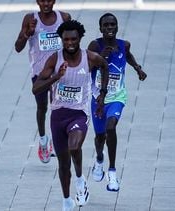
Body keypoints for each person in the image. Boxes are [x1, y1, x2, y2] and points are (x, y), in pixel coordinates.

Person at [32, 20, 109, 211]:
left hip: (79, 114)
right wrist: (56, 77)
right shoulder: (54, 60)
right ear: (61, 40)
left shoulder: (90, 58)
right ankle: (67, 200)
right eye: (66, 40)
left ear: (80, 38)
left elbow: (105, 66)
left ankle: (81, 180)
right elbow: (35, 89)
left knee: (74, 146)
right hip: (58, 116)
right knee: (63, 164)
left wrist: (102, 94)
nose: (70, 43)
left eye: (74, 39)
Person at [88, 13, 147, 192]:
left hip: (117, 97)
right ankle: (99, 159)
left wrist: (138, 68)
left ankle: (112, 172)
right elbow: (86, 67)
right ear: (100, 29)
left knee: (111, 127)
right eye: (106, 25)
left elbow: (127, 56)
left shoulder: (123, 45)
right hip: (97, 99)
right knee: (100, 137)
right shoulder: (95, 45)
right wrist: (101, 57)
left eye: (113, 25)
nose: (110, 28)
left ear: (117, 26)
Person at [14, 0, 71, 163]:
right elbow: (18, 47)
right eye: (42, 0)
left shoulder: (64, 18)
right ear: (37, 1)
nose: (46, 3)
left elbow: (72, 43)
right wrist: (27, 33)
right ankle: (43, 140)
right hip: (39, 74)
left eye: (49, 0)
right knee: (42, 107)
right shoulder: (30, 19)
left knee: (58, 107)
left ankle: (56, 140)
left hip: (59, 73)